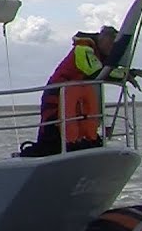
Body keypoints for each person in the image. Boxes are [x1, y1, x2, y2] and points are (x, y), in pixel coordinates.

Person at [28, 26, 129, 154]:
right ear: (102, 38)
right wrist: (124, 74)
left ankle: (84, 142)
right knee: (51, 130)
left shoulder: (100, 56)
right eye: (110, 44)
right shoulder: (83, 49)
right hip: (56, 94)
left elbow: (103, 73)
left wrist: (128, 72)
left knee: (81, 126)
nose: (110, 49)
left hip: (76, 97)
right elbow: (94, 71)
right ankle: (47, 150)